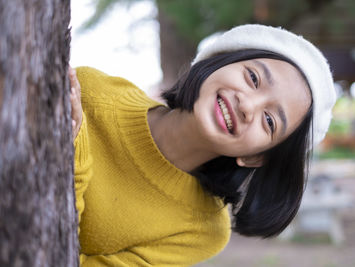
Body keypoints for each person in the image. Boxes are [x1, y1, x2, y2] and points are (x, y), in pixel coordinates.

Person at [70, 24, 336, 266]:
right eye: (253, 78)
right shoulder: (91, 91)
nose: (247, 106)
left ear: (256, 157)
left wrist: (73, 146)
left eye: (269, 121)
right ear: (218, 61)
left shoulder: (203, 230)